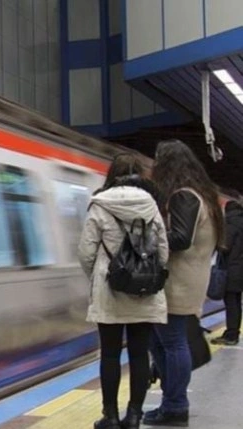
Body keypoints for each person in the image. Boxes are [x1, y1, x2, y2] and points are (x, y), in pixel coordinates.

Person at [78, 153, 169, 429]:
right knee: (140, 354)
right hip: (144, 293)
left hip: (110, 291)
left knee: (110, 354)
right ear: (140, 175)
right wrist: (146, 275)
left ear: (112, 175)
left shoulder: (100, 204)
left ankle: (111, 417)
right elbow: (163, 252)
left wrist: (99, 276)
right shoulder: (151, 206)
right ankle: (134, 416)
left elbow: (86, 252)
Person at [144, 139, 225, 426]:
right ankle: (171, 402)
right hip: (189, 279)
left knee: (171, 342)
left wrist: (148, 240)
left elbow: (179, 238)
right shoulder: (203, 195)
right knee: (161, 341)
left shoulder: (183, 196)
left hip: (178, 282)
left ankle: (176, 406)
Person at [212, 188, 243, 346]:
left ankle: (231, 335)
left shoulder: (231, 221)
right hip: (239, 269)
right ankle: (233, 332)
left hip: (232, 269)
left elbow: (225, 245)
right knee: (236, 302)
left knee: (231, 303)